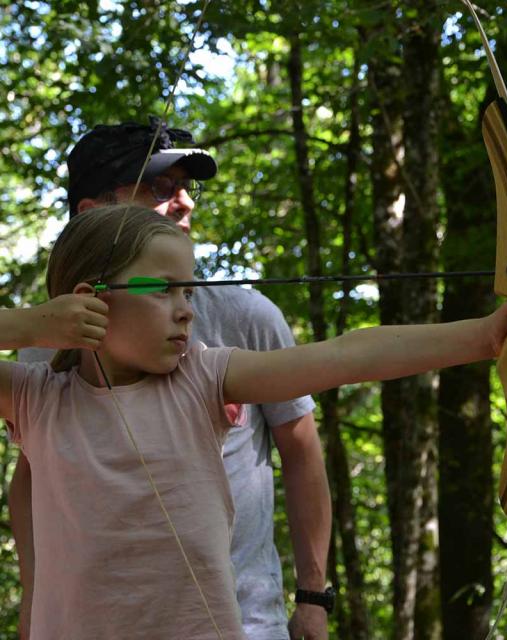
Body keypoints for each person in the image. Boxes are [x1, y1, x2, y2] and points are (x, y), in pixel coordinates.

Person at [1, 204, 507, 639]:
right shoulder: (37, 399)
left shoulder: (202, 377)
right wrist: (29, 326)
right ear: (87, 303)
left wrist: (487, 337)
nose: (186, 308)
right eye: (162, 289)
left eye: (189, 289)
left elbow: (347, 355)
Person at [8, 119, 332, 640]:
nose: (184, 203)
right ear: (92, 215)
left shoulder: (246, 315)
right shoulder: (45, 340)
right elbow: (30, 482)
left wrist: (314, 595)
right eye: (158, 188)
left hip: (241, 620)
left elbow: (302, 452)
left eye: (187, 187)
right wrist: (33, 596)